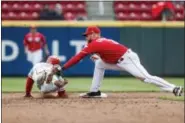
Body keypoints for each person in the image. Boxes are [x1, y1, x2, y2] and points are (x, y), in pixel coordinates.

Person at [62, 26, 183, 98]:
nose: (86, 37)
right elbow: (109, 54)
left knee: (145, 78)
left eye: (87, 35)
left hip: (128, 59)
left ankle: (173, 88)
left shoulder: (95, 43)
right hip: (119, 60)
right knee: (99, 64)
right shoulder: (100, 42)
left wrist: (63, 68)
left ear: (94, 34)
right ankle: (95, 92)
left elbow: (77, 57)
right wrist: (100, 58)